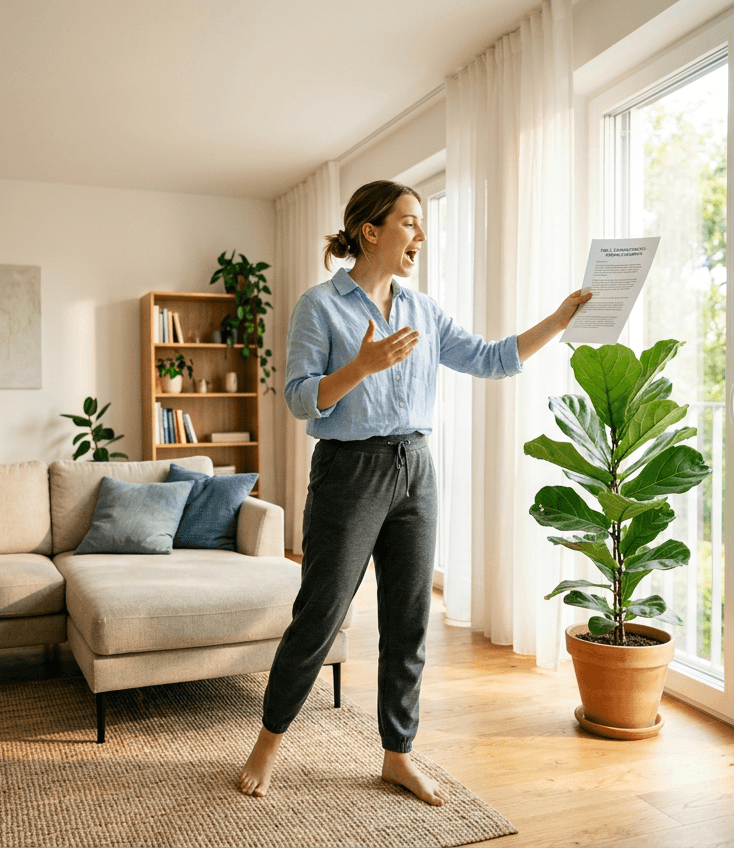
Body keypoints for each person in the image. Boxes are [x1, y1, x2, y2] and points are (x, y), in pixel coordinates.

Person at [238, 180, 591, 805]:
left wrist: (559, 321)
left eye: (421, 224)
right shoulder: (319, 306)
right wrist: (360, 368)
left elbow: (491, 358)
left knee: (409, 620)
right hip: (349, 470)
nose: (420, 236)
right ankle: (268, 740)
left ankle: (397, 754)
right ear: (370, 231)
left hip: (416, 468)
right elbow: (299, 398)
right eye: (409, 222)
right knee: (320, 614)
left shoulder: (422, 310)